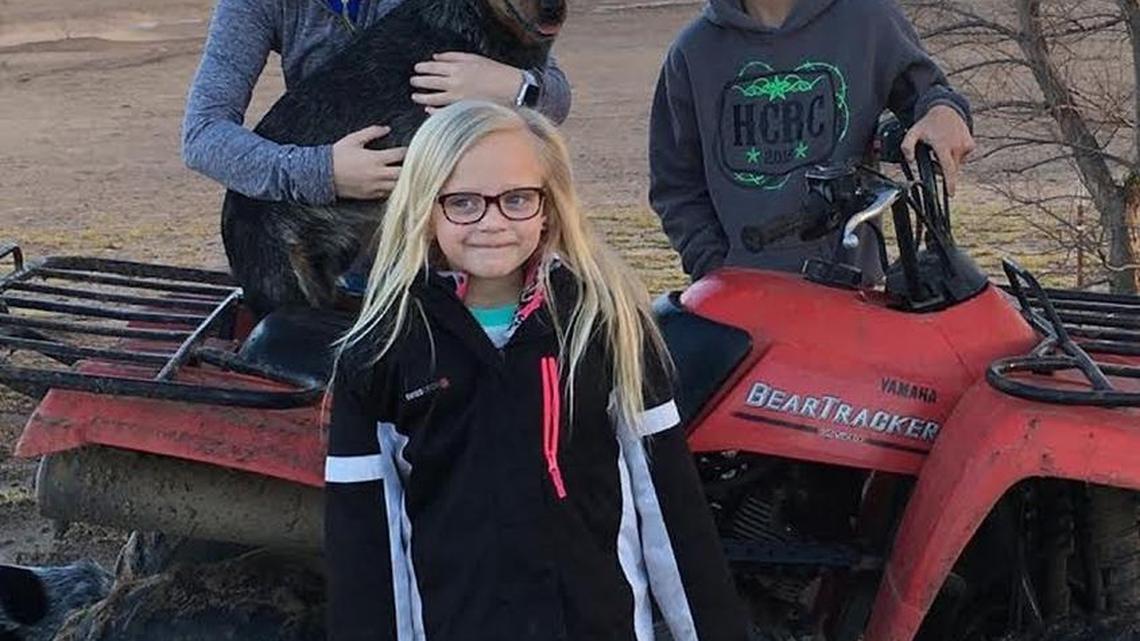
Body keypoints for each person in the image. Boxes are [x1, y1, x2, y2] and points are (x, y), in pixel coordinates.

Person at [323, 100, 749, 641]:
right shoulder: (379, 349)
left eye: (517, 199)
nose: (493, 221)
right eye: (464, 202)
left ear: (549, 206)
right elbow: (366, 552)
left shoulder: (606, 323)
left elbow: (670, 512)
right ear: (425, 208)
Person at [648, 0, 976, 281]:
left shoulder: (867, 19)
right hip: (742, 306)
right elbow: (676, 184)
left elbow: (930, 95)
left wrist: (943, 112)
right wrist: (715, 268)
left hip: (853, 296)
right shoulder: (693, 52)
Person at [181, 0, 571, 205]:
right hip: (335, 241)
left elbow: (556, 100)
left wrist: (516, 87)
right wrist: (320, 173)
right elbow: (203, 136)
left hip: (451, 238)